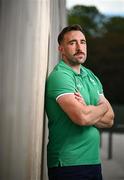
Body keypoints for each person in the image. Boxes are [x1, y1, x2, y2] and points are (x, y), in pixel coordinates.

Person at [45, 24, 114, 180]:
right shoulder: (60, 76)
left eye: (82, 42)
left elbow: (110, 119)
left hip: (93, 162)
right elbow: (82, 118)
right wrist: (99, 108)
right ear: (61, 49)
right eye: (72, 43)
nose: (79, 47)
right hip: (68, 164)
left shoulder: (90, 75)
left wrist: (87, 109)